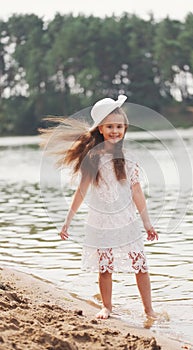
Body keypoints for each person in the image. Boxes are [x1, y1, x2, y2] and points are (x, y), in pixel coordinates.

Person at [39, 95, 158, 320]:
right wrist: (67, 221)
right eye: (110, 126)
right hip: (101, 222)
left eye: (119, 126)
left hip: (127, 221)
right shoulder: (93, 157)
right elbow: (81, 191)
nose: (115, 131)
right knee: (105, 268)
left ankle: (149, 310)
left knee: (140, 265)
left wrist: (147, 222)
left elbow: (137, 191)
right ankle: (107, 307)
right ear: (101, 129)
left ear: (125, 129)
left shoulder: (129, 158)